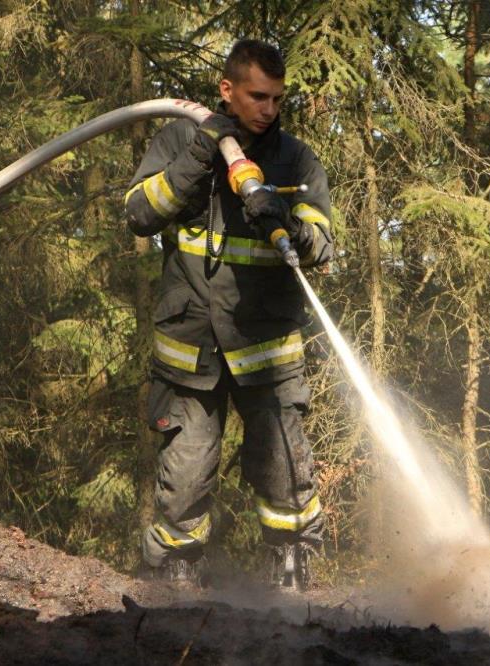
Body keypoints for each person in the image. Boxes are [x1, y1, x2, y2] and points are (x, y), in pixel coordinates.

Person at [123, 39, 332, 589]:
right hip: (191, 346)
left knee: (284, 465)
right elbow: (141, 214)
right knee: (187, 469)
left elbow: (322, 247)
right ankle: (176, 568)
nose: (268, 109)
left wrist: (281, 213)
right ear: (227, 90)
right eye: (257, 96)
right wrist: (201, 153)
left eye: (277, 99)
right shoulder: (177, 138)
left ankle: (290, 562)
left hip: (266, 349)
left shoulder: (295, 159)